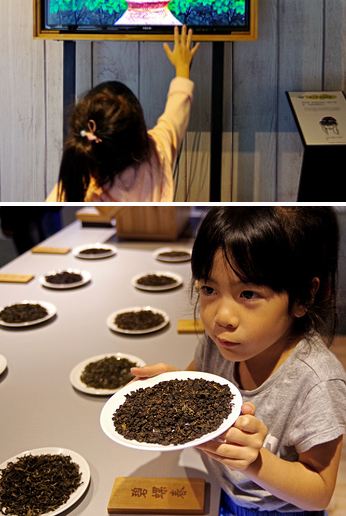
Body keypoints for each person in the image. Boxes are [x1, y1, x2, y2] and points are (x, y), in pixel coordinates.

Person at [132, 207, 346, 515]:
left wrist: (256, 461)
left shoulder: (316, 383)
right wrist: (172, 384)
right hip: (221, 492)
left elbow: (319, 493)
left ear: (303, 297)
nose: (222, 317)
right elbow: (199, 386)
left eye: (247, 294)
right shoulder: (219, 345)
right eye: (209, 289)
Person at [48, 25, 199, 201]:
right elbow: (177, 111)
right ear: (140, 131)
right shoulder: (157, 152)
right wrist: (183, 68)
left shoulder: (78, 186)